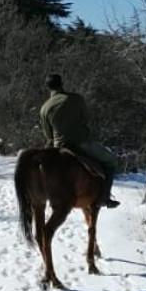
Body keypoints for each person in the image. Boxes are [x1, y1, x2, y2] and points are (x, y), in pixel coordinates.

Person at [39, 73, 120, 208]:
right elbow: (85, 119)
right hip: (81, 143)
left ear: (47, 87)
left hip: (59, 146)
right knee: (111, 160)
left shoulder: (44, 108)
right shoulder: (76, 99)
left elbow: (48, 134)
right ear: (62, 83)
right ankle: (105, 197)